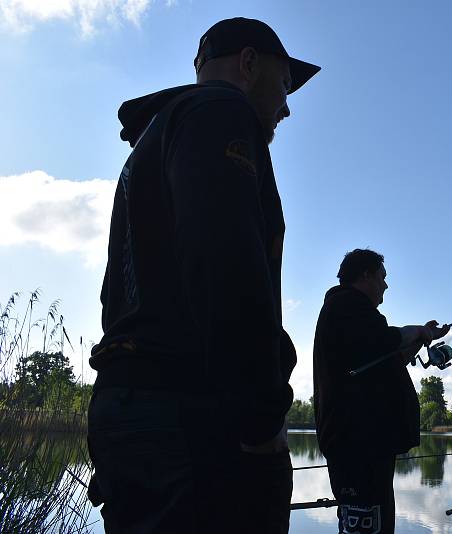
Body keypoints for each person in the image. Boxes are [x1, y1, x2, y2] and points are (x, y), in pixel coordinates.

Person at [86, 17, 319, 533]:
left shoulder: (159, 134)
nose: (286, 104)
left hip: (130, 407)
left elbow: (116, 295)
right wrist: (261, 418)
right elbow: (226, 265)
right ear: (249, 62)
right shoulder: (221, 111)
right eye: (283, 83)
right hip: (193, 421)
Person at [313, 249, 450, 534]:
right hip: (355, 446)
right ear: (366, 274)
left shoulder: (357, 317)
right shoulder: (344, 307)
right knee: (365, 525)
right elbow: (384, 339)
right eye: (382, 277)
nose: (386, 285)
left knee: (376, 524)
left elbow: (387, 356)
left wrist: (422, 335)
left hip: (368, 446)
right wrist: (413, 331)